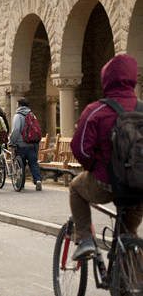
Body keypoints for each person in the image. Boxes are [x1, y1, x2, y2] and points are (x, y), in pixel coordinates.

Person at [69, 54, 143, 260]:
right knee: (128, 236)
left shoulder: (96, 110)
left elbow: (80, 149)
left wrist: (94, 167)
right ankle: (132, 284)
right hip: (139, 185)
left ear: (106, 79)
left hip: (106, 183)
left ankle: (84, 239)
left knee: (75, 188)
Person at [9, 98, 42, 191]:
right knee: (33, 163)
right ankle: (38, 180)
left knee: (20, 164)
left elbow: (15, 130)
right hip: (33, 144)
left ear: (19, 105)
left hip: (21, 144)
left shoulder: (18, 115)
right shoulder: (32, 115)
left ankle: (20, 183)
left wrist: (12, 142)